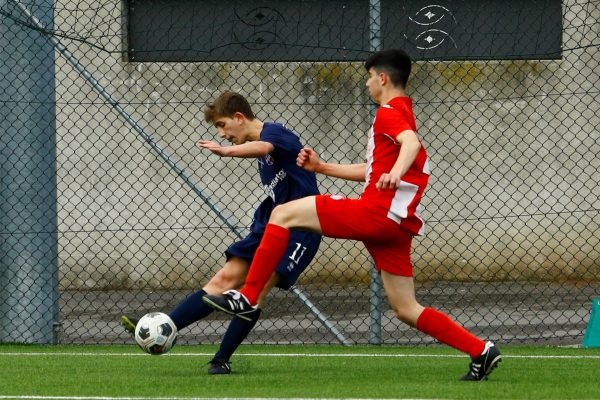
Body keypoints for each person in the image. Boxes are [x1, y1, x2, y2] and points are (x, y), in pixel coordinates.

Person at [203, 49, 502, 381]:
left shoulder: (389, 112)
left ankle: (247, 297)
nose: (367, 82)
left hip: (375, 214)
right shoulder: (404, 111)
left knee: (284, 213)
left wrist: (396, 171)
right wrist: (323, 167)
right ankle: (480, 351)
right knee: (405, 308)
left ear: (383, 78)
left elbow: (411, 144)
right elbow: (375, 170)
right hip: (396, 227)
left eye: (370, 76)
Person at [121, 91, 321, 375]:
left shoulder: (277, 133)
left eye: (222, 125)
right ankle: (162, 329)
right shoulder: (258, 142)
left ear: (239, 118)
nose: (222, 133)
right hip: (270, 223)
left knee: (257, 290)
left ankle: (221, 359)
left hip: (301, 227)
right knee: (224, 278)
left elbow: (264, 148)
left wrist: (225, 151)